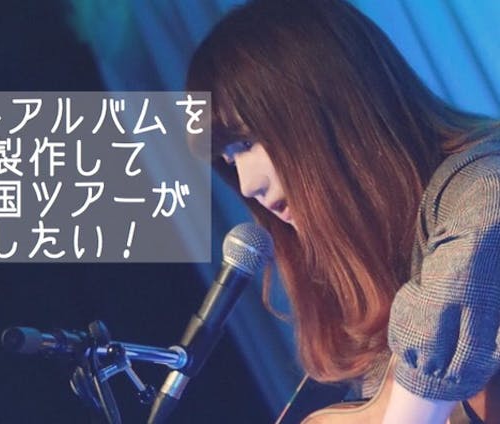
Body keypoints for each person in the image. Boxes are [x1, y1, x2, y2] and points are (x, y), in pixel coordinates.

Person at [186, 0, 500, 422]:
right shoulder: (382, 285)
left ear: (325, 109)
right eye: (229, 159)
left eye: (247, 142)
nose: (246, 185)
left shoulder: (480, 185)